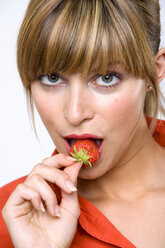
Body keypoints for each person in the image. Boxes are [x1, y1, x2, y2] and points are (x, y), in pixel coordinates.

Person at [1, 0, 165, 247]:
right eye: (52, 78)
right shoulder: (13, 218)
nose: (75, 114)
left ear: (154, 71)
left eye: (106, 78)